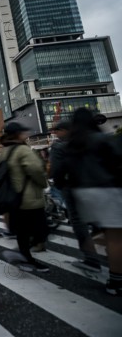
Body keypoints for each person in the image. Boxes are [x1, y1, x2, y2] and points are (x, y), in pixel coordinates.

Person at [63, 108, 122, 295]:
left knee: (99, 230)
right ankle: (116, 282)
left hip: (82, 192)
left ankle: (91, 255)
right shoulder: (101, 139)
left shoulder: (71, 144)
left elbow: (63, 170)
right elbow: (117, 163)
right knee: (116, 238)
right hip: (106, 189)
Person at [0, 123, 50, 272]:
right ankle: (21, 254)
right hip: (29, 197)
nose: (25, 134)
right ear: (18, 134)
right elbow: (36, 169)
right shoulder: (22, 150)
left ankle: (26, 258)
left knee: (22, 232)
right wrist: (43, 183)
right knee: (42, 231)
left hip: (12, 198)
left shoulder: (5, 151)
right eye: (23, 132)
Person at [50, 120, 100, 271]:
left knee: (78, 221)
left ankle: (91, 259)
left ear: (65, 130)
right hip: (95, 186)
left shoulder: (59, 146)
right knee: (99, 221)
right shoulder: (89, 141)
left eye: (57, 131)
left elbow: (57, 169)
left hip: (72, 186)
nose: (56, 134)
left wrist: (59, 184)